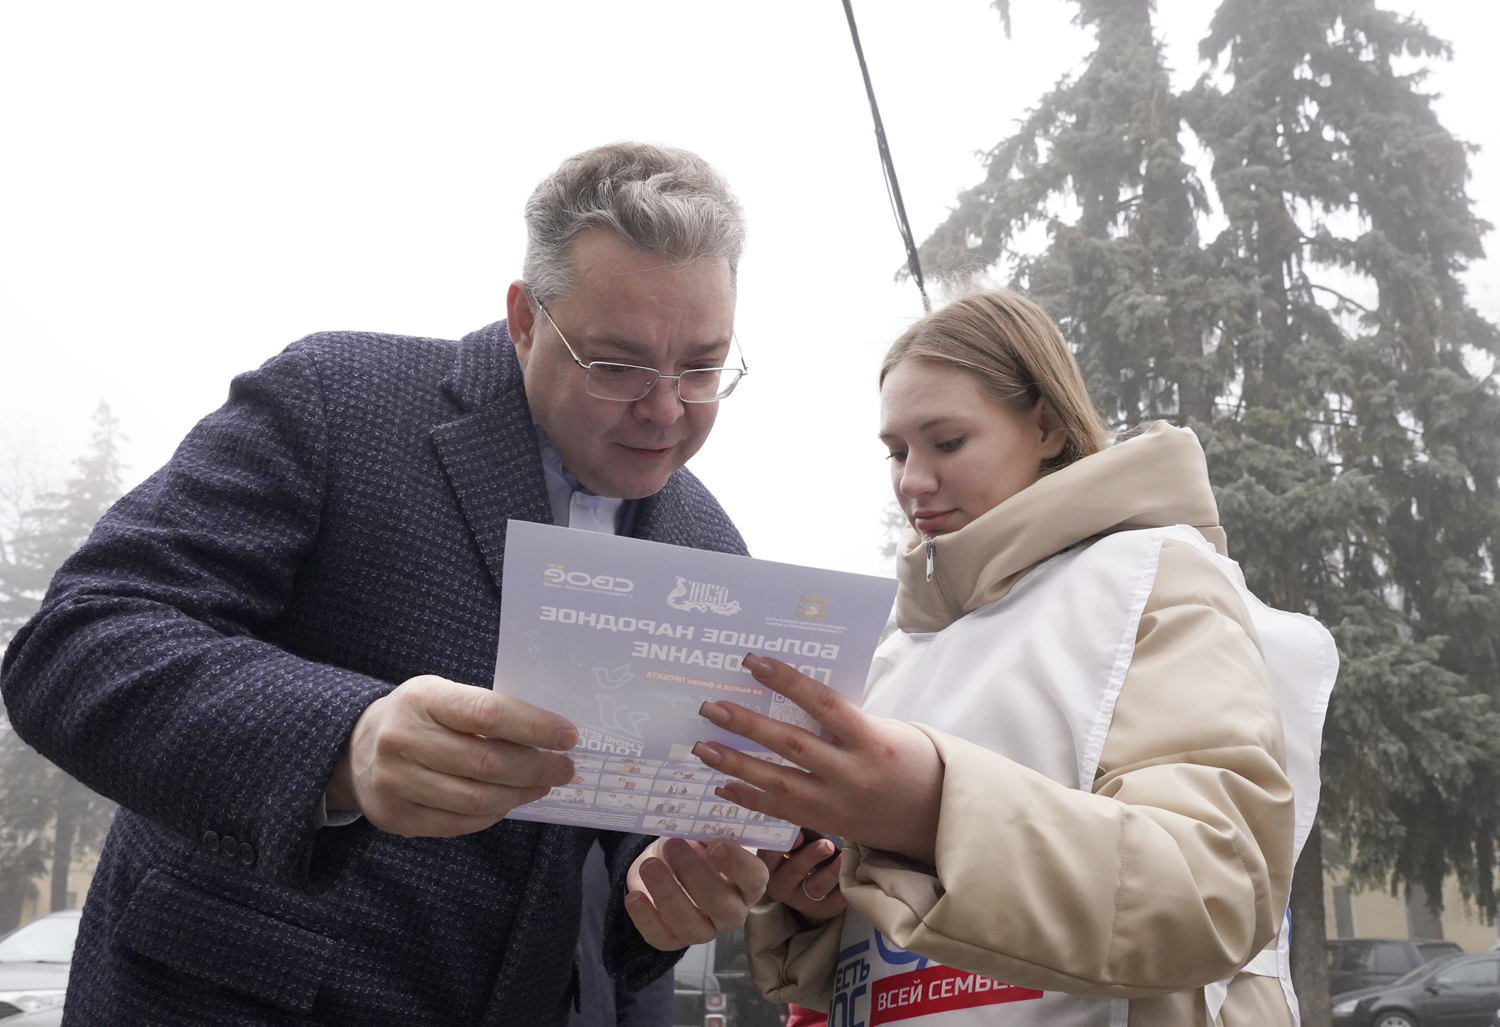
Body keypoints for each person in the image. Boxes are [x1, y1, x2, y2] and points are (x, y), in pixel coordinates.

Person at [0, 142, 771, 1025]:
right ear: (525, 319)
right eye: (617, 364)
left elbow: (635, 846)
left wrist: (664, 894)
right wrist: (345, 744)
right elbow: (77, 640)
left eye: (704, 366)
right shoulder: (341, 400)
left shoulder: (710, 549)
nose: (667, 408)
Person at [686, 291, 1336, 1025]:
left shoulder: (1156, 579)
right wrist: (817, 902)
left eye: (947, 442)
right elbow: (886, 959)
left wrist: (933, 811)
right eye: (896, 451)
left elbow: (1214, 890)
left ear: (1048, 425)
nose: (912, 481)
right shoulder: (895, 651)